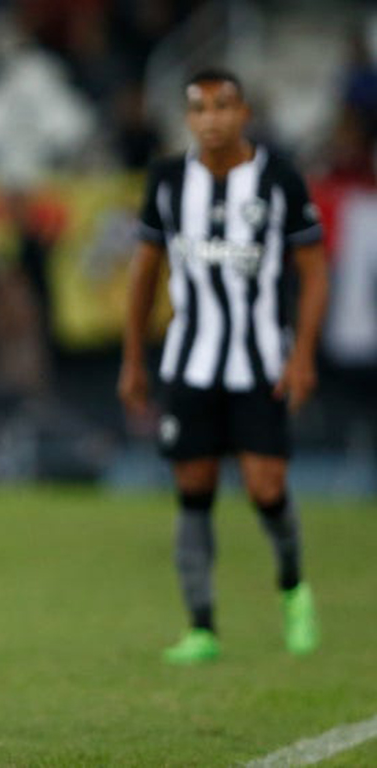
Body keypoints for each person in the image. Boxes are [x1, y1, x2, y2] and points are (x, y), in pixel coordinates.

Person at [119, 68, 327, 665]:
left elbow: (314, 269)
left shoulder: (279, 178)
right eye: (199, 108)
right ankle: (202, 626)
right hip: (191, 363)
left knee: (267, 486)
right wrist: (134, 358)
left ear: (244, 113)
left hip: (260, 362)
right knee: (193, 489)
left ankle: (293, 589)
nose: (211, 118)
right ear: (188, 118)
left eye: (223, 106)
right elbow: (145, 273)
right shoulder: (166, 179)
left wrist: (304, 353)